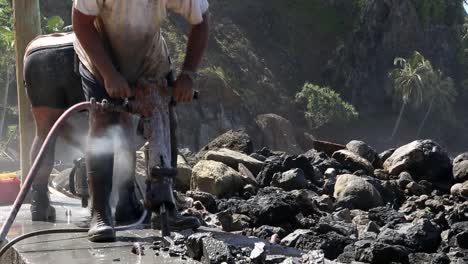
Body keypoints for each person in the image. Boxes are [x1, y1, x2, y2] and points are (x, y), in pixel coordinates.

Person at [72, 0, 210, 242]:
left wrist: (188, 75)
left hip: (149, 55)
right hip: (100, 54)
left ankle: (165, 204)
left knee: (165, 117)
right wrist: (109, 74)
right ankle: (100, 212)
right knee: (103, 120)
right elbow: (81, 22)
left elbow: (202, 20)